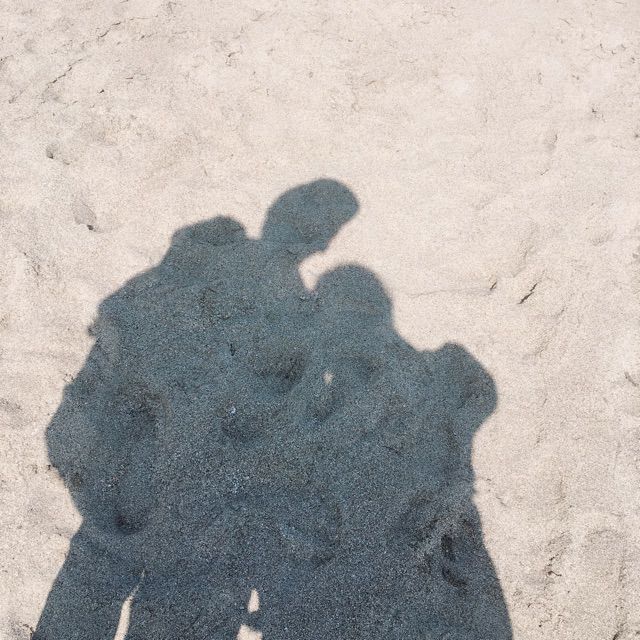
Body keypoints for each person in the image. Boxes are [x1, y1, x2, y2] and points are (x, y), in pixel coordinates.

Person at [35, 181, 511, 639]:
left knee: (111, 580)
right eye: (323, 231)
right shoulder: (239, 287)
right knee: (131, 584)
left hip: (185, 494)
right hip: (189, 489)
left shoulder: (217, 285)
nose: (322, 242)